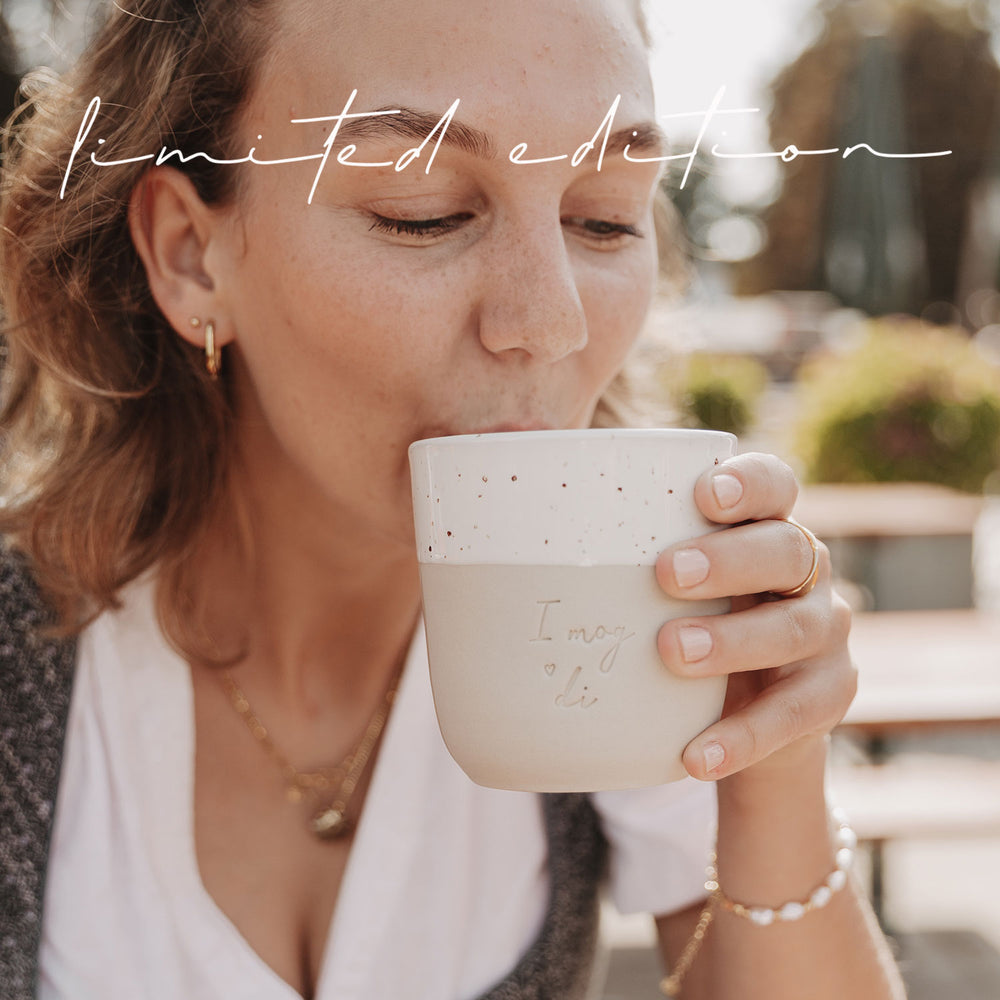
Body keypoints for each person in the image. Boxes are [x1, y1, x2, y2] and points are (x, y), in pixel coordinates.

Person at [0, 1, 906, 998]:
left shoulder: (629, 618)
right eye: (421, 211)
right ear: (188, 254)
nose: (549, 322)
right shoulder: (37, 681)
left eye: (604, 215)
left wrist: (771, 776)